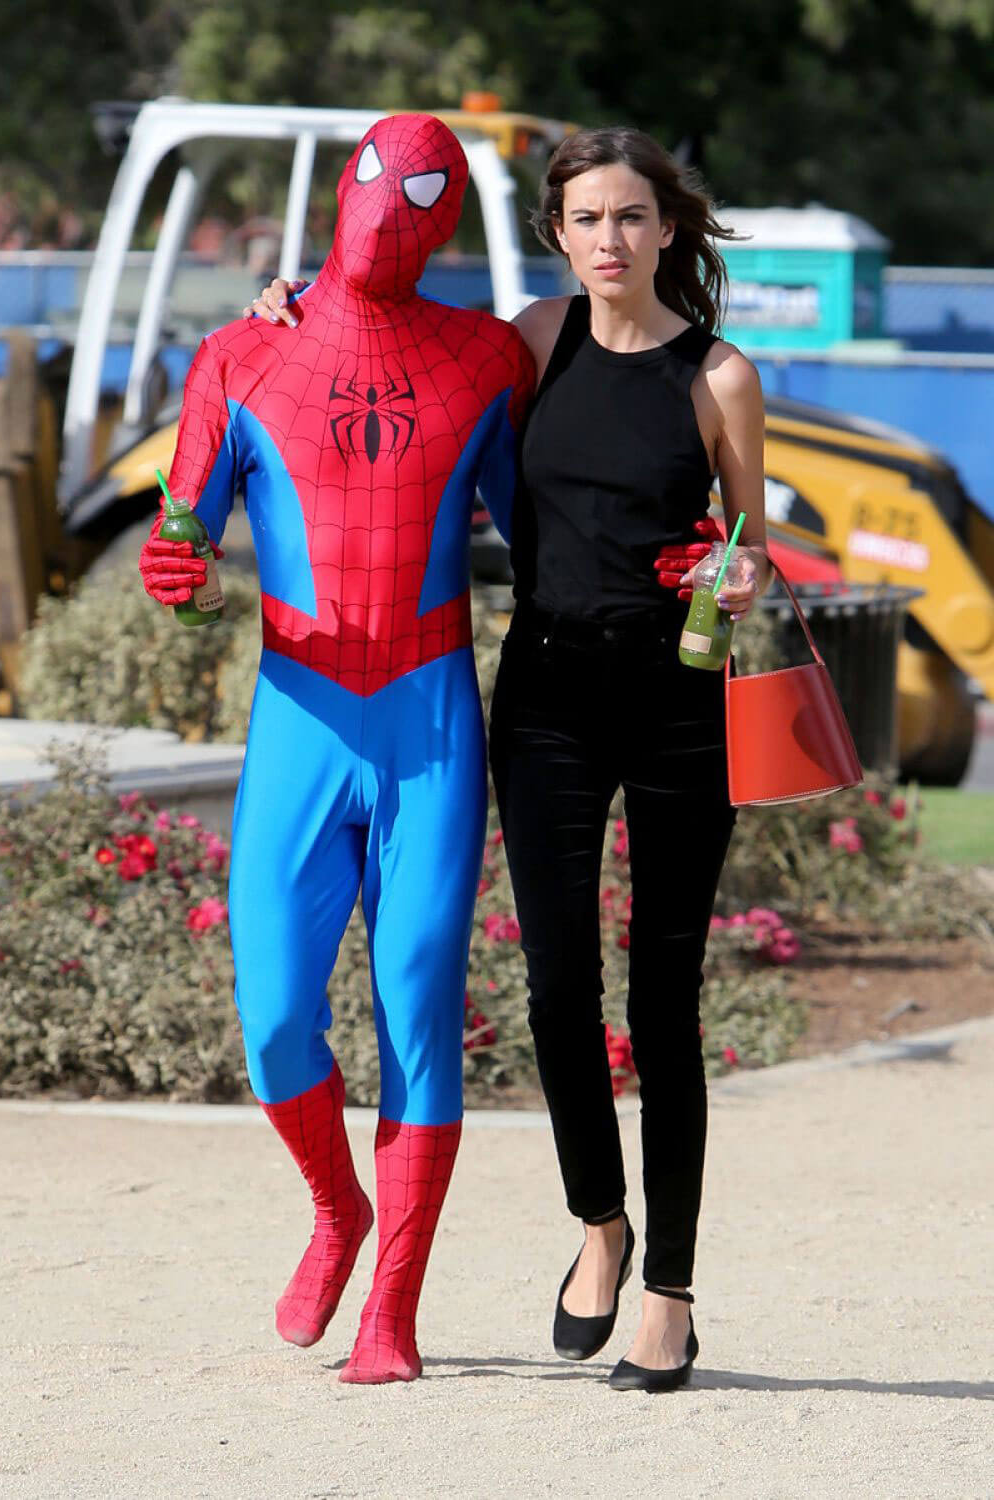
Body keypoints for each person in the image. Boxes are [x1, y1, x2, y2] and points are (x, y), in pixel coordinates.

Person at [251, 124, 769, 1393]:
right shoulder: (528, 345)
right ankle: (600, 1228)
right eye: (587, 219)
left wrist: (740, 569)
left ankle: (669, 1292)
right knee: (553, 989)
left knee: (663, 1003)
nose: (610, 240)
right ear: (558, 233)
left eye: (632, 218)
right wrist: (295, 296)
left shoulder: (721, 377)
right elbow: (391, 329)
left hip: (674, 701)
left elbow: (750, 540)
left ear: (668, 229)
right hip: (538, 697)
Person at [138, 114, 534, 1385]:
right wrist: (179, 573)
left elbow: (553, 533)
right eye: (383, 176)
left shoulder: (485, 360)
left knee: (418, 999)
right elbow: (185, 536)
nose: (393, 204)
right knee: (272, 1024)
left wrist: (675, 568)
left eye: (427, 189)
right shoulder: (239, 358)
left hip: (429, 716)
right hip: (299, 716)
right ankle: (336, 1209)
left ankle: (395, 1310)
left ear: (451, 217)